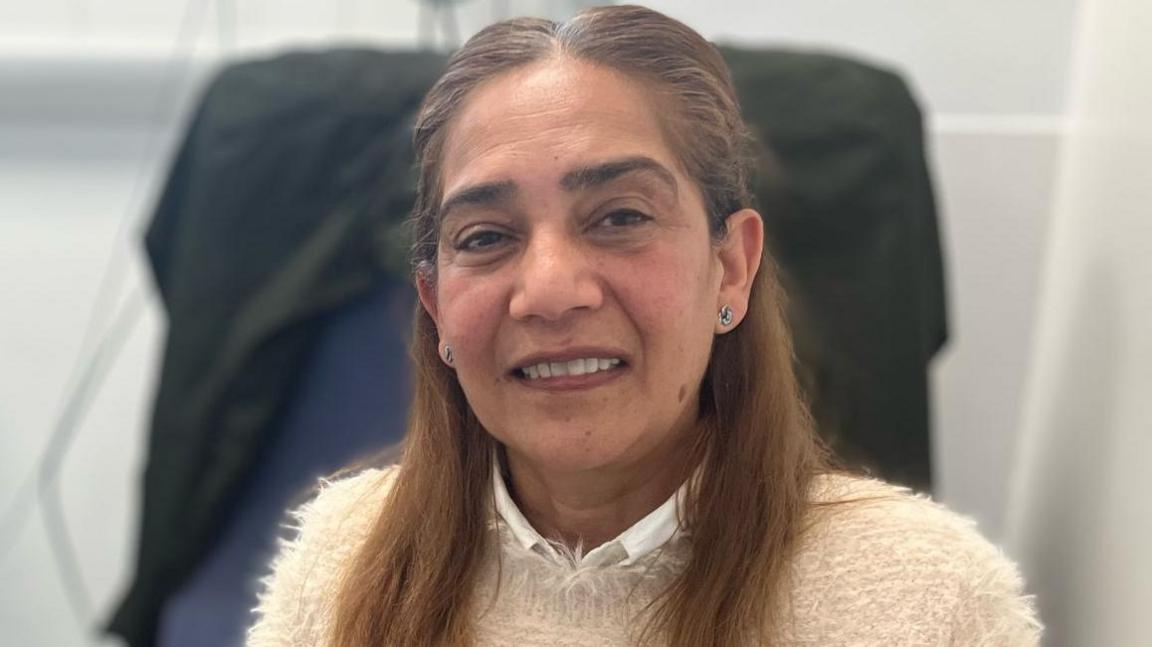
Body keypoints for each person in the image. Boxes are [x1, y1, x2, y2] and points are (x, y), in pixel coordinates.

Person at [247, 5, 1041, 646]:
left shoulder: (922, 598)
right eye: (486, 236)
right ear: (436, 306)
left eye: (620, 216)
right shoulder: (341, 560)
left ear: (731, 266)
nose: (550, 292)